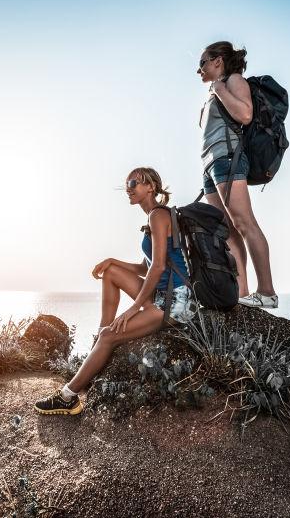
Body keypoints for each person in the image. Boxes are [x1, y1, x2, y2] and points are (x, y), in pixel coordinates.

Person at [34, 167, 196, 415]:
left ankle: (69, 397)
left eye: (133, 182)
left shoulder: (158, 215)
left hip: (174, 303)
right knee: (110, 274)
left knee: (112, 335)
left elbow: (159, 267)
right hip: (163, 294)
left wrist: (133, 309)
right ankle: (100, 338)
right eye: (126, 184)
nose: (128, 188)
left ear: (150, 187)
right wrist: (112, 261)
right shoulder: (153, 217)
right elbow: (146, 266)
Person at [197, 41, 278, 308]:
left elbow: (244, 114)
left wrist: (220, 88)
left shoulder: (233, 80)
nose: (200, 70)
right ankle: (242, 294)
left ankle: (267, 292)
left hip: (227, 158)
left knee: (245, 224)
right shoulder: (213, 91)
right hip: (211, 164)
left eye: (203, 63)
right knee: (229, 231)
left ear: (218, 60)